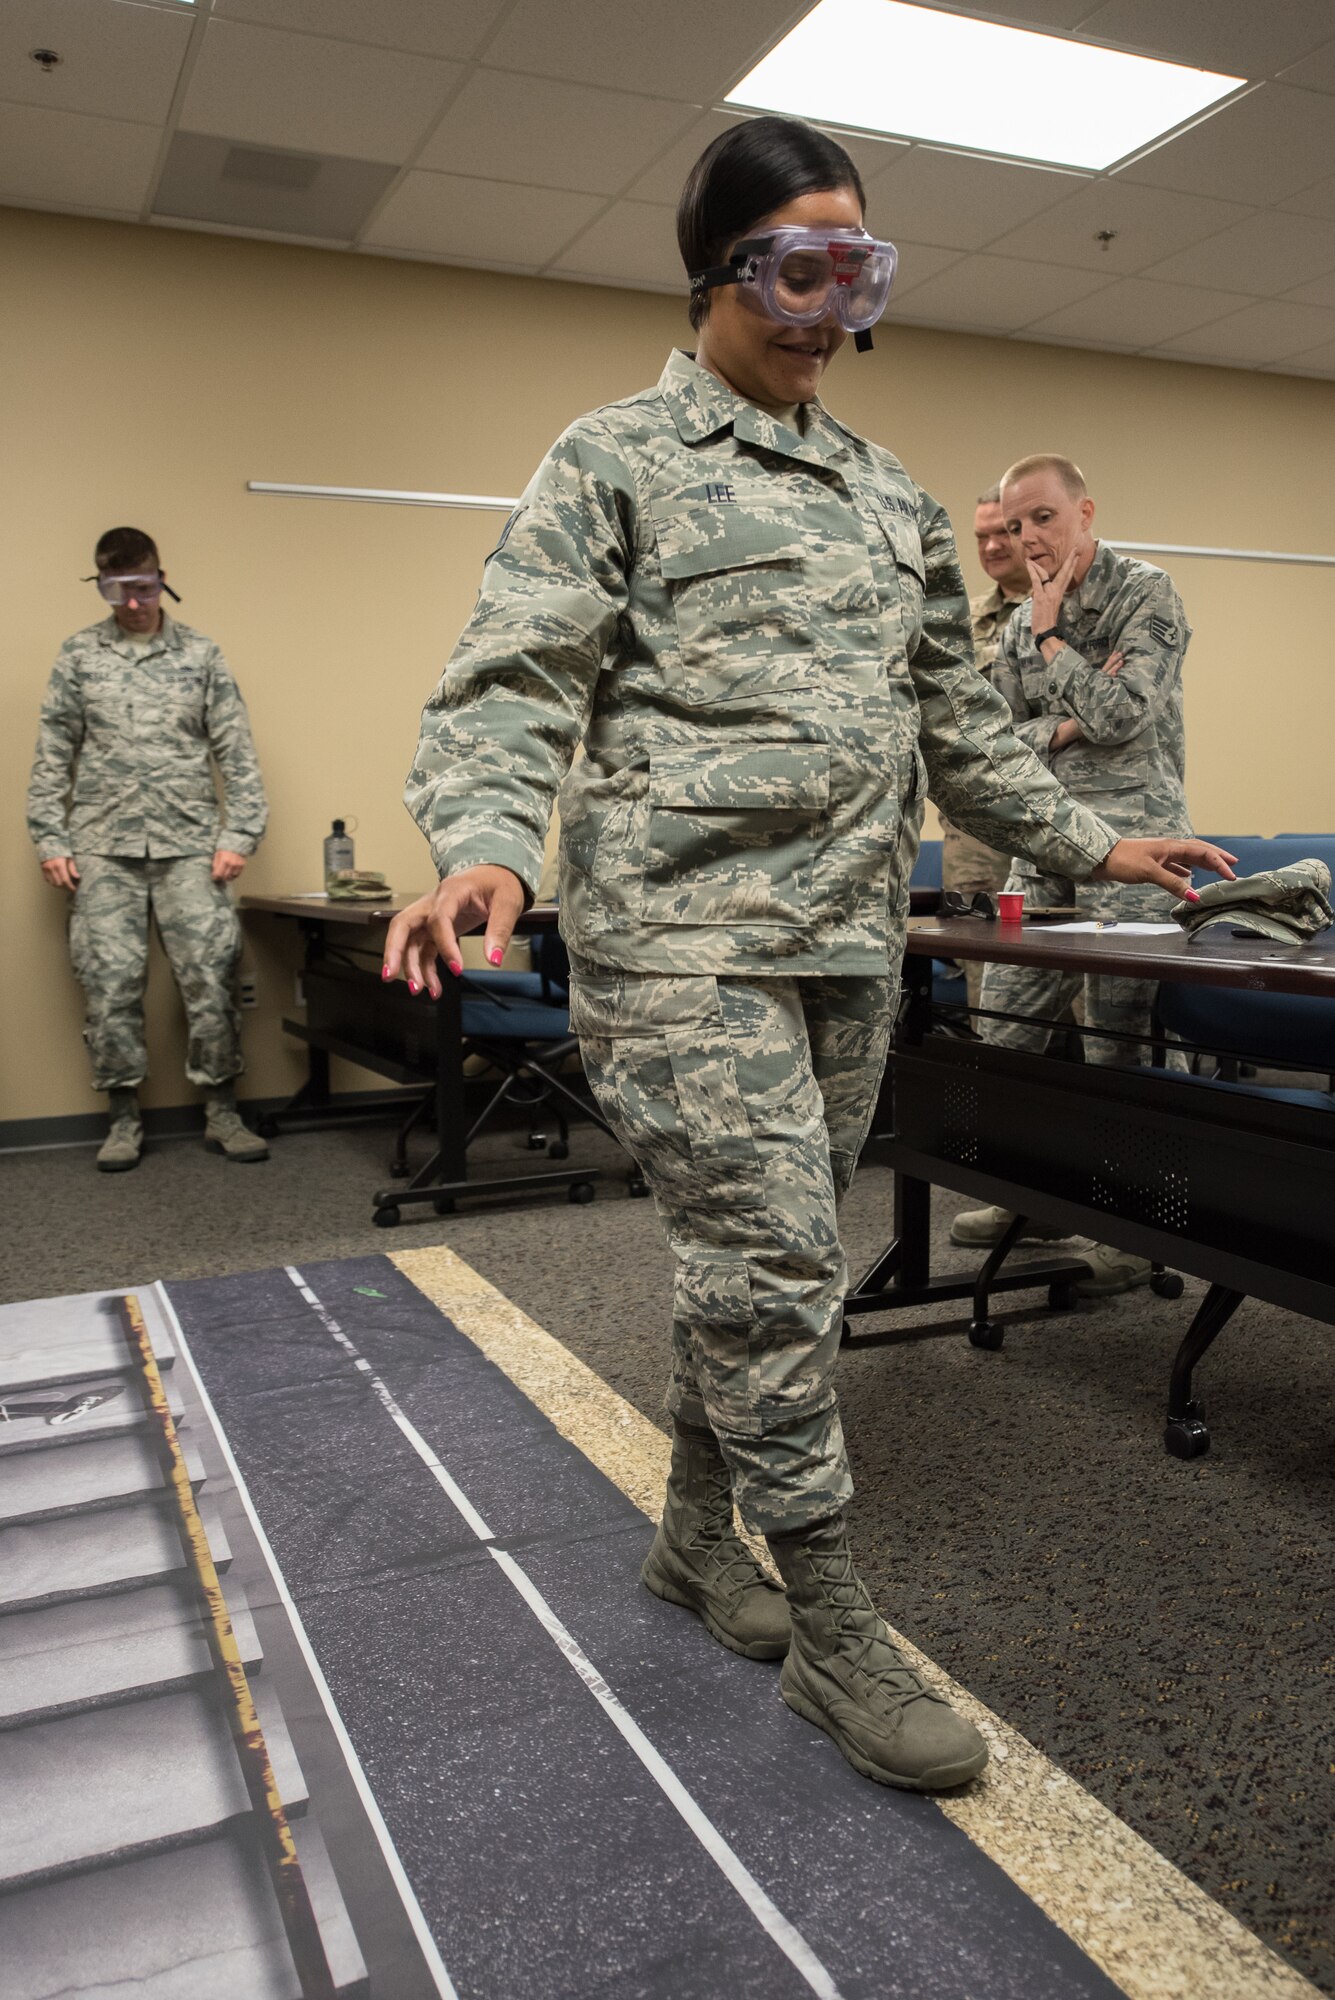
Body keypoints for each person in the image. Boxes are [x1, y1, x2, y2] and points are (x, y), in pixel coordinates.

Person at [384, 121, 1232, 1794]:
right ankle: (839, 1630)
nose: (829, 301)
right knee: (777, 1260)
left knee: (754, 1261)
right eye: (796, 263)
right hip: (679, 944)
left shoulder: (894, 502)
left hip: (844, 948)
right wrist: (483, 842)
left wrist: (1094, 842)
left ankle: (701, 1539)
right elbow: (511, 679)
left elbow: (965, 735)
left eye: (858, 266)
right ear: (715, 269)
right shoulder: (611, 459)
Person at [951, 456, 1194, 1295]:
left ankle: (1137, 1225)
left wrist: (1055, 643)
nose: (1028, 540)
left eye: (1042, 519)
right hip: (1046, 842)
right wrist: (1062, 723)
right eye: (1015, 527)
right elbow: (999, 742)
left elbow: (1124, 715)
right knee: (1007, 1027)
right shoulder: (1014, 620)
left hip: (1137, 845)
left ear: (1084, 511)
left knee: (1117, 1041)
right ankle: (1032, 1195)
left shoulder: (1144, 593)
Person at [27, 526, 269, 1171]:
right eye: (116, 589)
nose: (131, 602)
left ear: (161, 578)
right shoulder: (79, 656)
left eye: (142, 586)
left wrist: (239, 833)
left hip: (191, 845)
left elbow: (236, 751)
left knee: (212, 978)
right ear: (100, 585)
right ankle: (123, 1119)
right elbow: (54, 754)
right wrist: (50, 836)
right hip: (102, 849)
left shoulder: (201, 655)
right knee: (108, 985)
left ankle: (222, 1112)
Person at [938, 483, 1031, 1009]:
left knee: (1069, 964)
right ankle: (987, 1078)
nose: (992, 546)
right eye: (981, 537)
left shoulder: (1065, 612)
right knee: (982, 959)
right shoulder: (963, 620)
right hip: (973, 821)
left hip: (1046, 809)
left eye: (1003, 533)